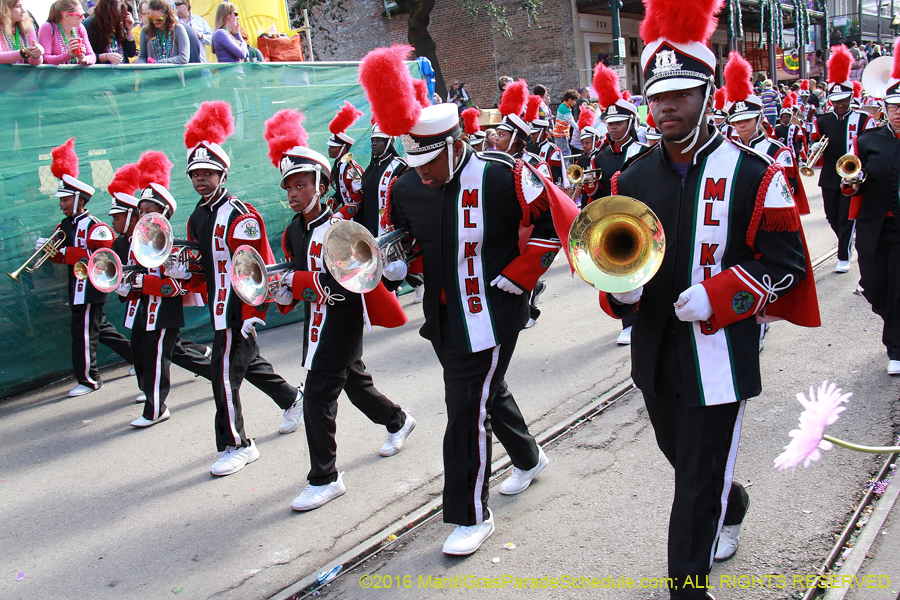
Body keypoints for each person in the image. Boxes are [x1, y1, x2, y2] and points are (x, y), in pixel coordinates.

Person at [604, 3, 819, 596]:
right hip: (654, 350)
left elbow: (786, 264)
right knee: (683, 458)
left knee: (695, 481)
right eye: (657, 96)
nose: (665, 107)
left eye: (679, 94)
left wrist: (720, 295)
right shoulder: (632, 177)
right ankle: (734, 502)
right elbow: (615, 257)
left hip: (719, 350)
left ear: (706, 95)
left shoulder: (756, 171)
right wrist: (620, 293)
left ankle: (687, 588)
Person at [381, 104, 564, 556]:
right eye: (415, 163)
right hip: (442, 316)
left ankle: (471, 515)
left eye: (430, 162)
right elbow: (407, 239)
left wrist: (523, 273)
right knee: (486, 392)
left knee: (465, 406)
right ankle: (528, 456)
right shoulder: (406, 185)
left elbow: (555, 223)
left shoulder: (503, 174)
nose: (422, 173)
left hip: (494, 311)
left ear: (456, 144)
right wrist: (397, 266)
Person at [261, 110, 415, 511]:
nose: (293, 193)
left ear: (322, 186)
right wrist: (281, 293)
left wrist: (298, 285)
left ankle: (325, 478)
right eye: (288, 186)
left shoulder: (341, 229)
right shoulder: (293, 230)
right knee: (355, 385)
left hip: (342, 321)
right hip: (315, 321)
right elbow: (295, 275)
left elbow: (351, 283)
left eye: (301, 184)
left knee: (316, 396)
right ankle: (398, 421)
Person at [182, 101, 304, 476]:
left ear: (221, 174)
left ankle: (238, 444)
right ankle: (292, 399)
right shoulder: (197, 216)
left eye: (207, 173)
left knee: (222, 375)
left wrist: (253, 313)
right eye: (195, 174)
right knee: (245, 366)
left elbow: (255, 268)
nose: (200, 179)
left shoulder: (240, 214)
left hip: (239, 308)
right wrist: (184, 269)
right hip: (218, 309)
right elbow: (203, 267)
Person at [42, 138, 134, 397]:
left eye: (64, 199)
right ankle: (138, 358)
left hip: (91, 286)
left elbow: (101, 255)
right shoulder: (65, 225)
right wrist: (49, 251)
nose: (60, 204)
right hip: (76, 286)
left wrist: (65, 252)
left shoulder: (95, 225)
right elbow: (59, 257)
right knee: (99, 330)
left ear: (78, 199)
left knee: (83, 334)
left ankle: (89, 379)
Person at [126, 151, 212, 428]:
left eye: (149, 210)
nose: (142, 215)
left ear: (163, 213)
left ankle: (156, 408)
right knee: (144, 352)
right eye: (140, 211)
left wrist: (142, 283)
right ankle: (217, 373)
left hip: (164, 311)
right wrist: (126, 285)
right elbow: (131, 275)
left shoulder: (174, 244)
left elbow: (177, 286)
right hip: (142, 309)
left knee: (156, 358)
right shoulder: (136, 243)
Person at [841, 62, 900, 375]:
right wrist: (852, 183)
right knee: (874, 287)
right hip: (873, 227)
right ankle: (892, 321)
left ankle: (896, 347)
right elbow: (850, 180)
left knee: (898, 287)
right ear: (885, 109)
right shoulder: (868, 141)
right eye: (894, 107)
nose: (898, 112)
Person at [586, 63, 649, 346]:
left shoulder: (643, 151)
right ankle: (629, 322)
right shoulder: (598, 157)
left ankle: (646, 318)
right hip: (612, 223)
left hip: (642, 220)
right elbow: (595, 194)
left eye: (619, 123)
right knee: (620, 273)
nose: (613, 128)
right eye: (609, 124)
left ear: (631, 123)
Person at [812, 44, 876, 273]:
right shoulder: (822, 120)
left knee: (845, 217)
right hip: (830, 174)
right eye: (835, 101)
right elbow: (814, 149)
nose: (839, 105)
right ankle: (846, 243)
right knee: (831, 216)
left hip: (852, 175)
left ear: (850, 98)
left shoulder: (862, 118)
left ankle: (842, 256)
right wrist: (815, 147)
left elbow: (870, 146)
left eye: (843, 100)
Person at [359, 126, 424, 302]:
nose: (375, 144)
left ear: (389, 142)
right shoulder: (371, 167)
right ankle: (390, 296)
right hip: (371, 220)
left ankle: (418, 285)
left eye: (379, 140)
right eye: (373, 140)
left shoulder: (400, 165)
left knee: (396, 260)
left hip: (392, 222)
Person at [325, 101, 364, 219]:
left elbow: (358, 201)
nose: (329, 149)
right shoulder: (338, 165)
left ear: (343, 149)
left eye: (332, 147)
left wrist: (339, 215)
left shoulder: (351, 169)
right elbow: (341, 193)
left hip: (357, 217)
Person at [39, 0, 96, 65]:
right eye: (80, 15)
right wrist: (68, 55)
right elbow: (45, 58)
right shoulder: (48, 27)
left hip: (76, 74)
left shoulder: (80, 28)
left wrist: (83, 59)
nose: (83, 18)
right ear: (66, 16)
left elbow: (92, 56)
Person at [84, 0, 136, 65]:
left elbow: (131, 53)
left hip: (123, 73)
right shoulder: (90, 24)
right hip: (101, 73)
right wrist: (106, 57)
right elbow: (86, 57)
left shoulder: (119, 24)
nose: (119, 20)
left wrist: (129, 30)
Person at [0, 0, 42, 64]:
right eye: (18, 6)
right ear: (5, 9)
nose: (23, 11)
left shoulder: (28, 26)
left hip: (25, 74)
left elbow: (35, 63)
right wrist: (23, 53)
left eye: (23, 6)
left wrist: (36, 55)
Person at [552, 89, 578, 158]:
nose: (575, 102)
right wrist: (579, 129)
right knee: (566, 152)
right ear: (570, 99)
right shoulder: (565, 109)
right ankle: (565, 167)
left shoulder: (563, 106)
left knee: (562, 151)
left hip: (560, 133)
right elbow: (570, 121)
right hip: (561, 134)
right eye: (574, 100)